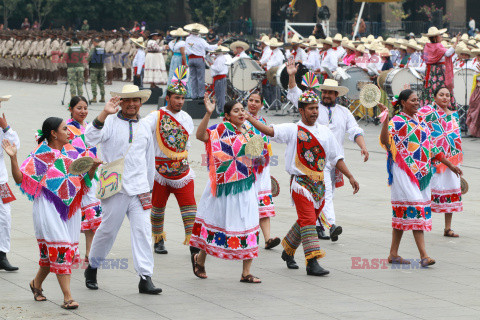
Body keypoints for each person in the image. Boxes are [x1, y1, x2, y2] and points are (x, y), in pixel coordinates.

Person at [246, 73, 359, 276]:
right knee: (308, 221)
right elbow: (269, 131)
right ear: (301, 110)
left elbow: (336, 157)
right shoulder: (292, 129)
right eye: (311, 108)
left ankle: (288, 251)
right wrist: (250, 119)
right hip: (300, 184)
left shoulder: (325, 132)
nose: (315, 112)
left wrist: (350, 176)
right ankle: (312, 261)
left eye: (316, 108)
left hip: (319, 184)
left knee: (305, 221)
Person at [4, 117, 101, 309]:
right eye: (64, 129)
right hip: (47, 209)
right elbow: (20, 179)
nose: (69, 132)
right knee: (61, 249)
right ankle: (67, 297)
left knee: (52, 257)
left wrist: (93, 168)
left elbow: (83, 183)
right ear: (54, 134)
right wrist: (13, 158)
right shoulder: (41, 155)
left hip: (69, 209)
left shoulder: (71, 152)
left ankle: (36, 284)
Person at [83, 86, 162, 294]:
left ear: (141, 102)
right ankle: (92, 266)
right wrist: (103, 114)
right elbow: (89, 139)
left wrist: (149, 186)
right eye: (127, 100)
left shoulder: (145, 126)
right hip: (114, 187)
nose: (132, 104)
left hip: (140, 189)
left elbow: (149, 158)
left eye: (135, 100)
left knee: (143, 232)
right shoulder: (109, 121)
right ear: (121, 102)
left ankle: (145, 277)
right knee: (108, 230)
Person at [379, 90, 462, 267]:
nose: (417, 103)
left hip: (422, 172)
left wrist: (449, 164)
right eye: (413, 100)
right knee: (416, 208)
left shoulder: (420, 120)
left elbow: (430, 147)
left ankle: (393, 254)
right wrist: (385, 120)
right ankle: (424, 255)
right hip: (403, 172)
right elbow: (385, 141)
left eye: (418, 100)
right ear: (403, 102)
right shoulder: (397, 121)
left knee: (403, 213)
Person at [286, 59, 367, 241]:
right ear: (321, 92)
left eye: (331, 93)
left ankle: (314, 226)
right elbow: (294, 94)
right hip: (313, 161)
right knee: (326, 194)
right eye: (325, 92)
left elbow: (355, 130)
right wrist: (292, 76)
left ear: (336, 94)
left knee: (323, 195)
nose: (327, 95)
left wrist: (363, 146)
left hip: (335, 160)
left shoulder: (344, 112)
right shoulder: (313, 107)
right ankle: (330, 225)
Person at [189, 98, 263, 283]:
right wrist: (207, 113)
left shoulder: (250, 131)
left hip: (245, 184)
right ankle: (200, 259)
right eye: (236, 111)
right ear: (227, 115)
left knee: (250, 223)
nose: (240, 113)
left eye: (242, 110)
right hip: (222, 186)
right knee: (215, 221)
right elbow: (200, 136)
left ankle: (246, 273)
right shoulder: (219, 130)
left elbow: (258, 155)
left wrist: (253, 141)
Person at [143, 67, 197, 255]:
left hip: (182, 170)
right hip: (160, 171)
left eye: (182, 99)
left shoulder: (187, 118)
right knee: (157, 208)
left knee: (190, 208)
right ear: (168, 98)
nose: (180, 102)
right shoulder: (156, 116)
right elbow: (143, 132)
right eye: (176, 98)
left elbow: (187, 145)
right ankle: (158, 240)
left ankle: (193, 243)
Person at [418, 87, 463, 236]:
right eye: (441, 95)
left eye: (447, 95)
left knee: (452, 190)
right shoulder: (427, 112)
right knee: (426, 192)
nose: (445, 98)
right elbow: (418, 128)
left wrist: (455, 160)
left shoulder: (454, 115)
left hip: (452, 160)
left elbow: (456, 139)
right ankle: (419, 225)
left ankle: (447, 228)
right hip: (433, 160)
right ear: (434, 97)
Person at [66, 96, 103, 262]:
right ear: (71, 109)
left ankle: (90, 252)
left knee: (92, 216)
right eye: (79, 108)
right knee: (75, 217)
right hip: (76, 178)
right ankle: (72, 251)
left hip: (92, 176)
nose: (83, 111)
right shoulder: (67, 129)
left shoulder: (89, 127)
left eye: (85, 108)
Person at [244, 92, 280, 249]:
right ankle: (245, 238)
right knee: (245, 204)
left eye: (256, 101)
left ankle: (267, 239)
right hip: (245, 168)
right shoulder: (238, 120)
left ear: (261, 105)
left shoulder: (264, 122)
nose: (253, 103)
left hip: (262, 170)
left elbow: (268, 148)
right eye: (250, 100)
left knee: (262, 205)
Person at [0, 96, 20, 272]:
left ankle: (2, 255)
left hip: (1, 182)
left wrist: (6, 127)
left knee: (4, 218)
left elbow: (16, 146)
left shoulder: (3, 129)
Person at [421, 27, 460, 107]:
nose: (441, 36)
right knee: (442, 89)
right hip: (439, 72)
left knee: (431, 89)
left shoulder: (427, 46)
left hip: (430, 72)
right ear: (436, 37)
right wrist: (455, 43)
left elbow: (425, 59)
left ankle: (429, 105)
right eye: (440, 35)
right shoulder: (438, 46)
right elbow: (448, 53)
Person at [184, 23, 221, 99]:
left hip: (190, 59)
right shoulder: (200, 40)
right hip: (199, 59)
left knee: (193, 78)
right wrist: (217, 45)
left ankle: (194, 95)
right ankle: (201, 95)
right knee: (200, 78)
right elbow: (208, 47)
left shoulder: (187, 39)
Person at [209, 46, 229, 115]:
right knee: (219, 95)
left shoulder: (220, 59)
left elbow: (218, 69)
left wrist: (212, 65)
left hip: (220, 78)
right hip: (219, 78)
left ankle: (222, 110)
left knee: (220, 95)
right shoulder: (219, 58)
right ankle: (221, 109)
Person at [88, 38, 106, 103]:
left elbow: (89, 57)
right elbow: (104, 57)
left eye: (93, 42)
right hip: (101, 68)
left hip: (94, 68)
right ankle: (103, 97)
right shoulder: (103, 49)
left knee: (93, 83)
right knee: (101, 83)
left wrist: (87, 60)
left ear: (95, 42)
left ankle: (94, 98)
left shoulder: (93, 49)